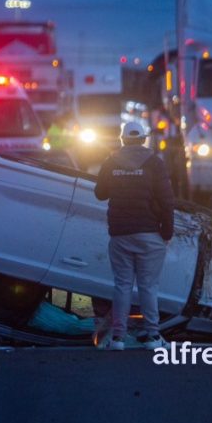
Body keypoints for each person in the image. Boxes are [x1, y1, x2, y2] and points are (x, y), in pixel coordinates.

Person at [94, 121, 175, 351]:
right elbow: (167, 201)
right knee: (149, 286)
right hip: (150, 234)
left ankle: (118, 338)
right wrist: (167, 232)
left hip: (120, 235)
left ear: (122, 139)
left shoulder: (111, 162)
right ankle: (153, 336)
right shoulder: (155, 164)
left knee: (122, 286)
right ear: (143, 139)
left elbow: (100, 193)